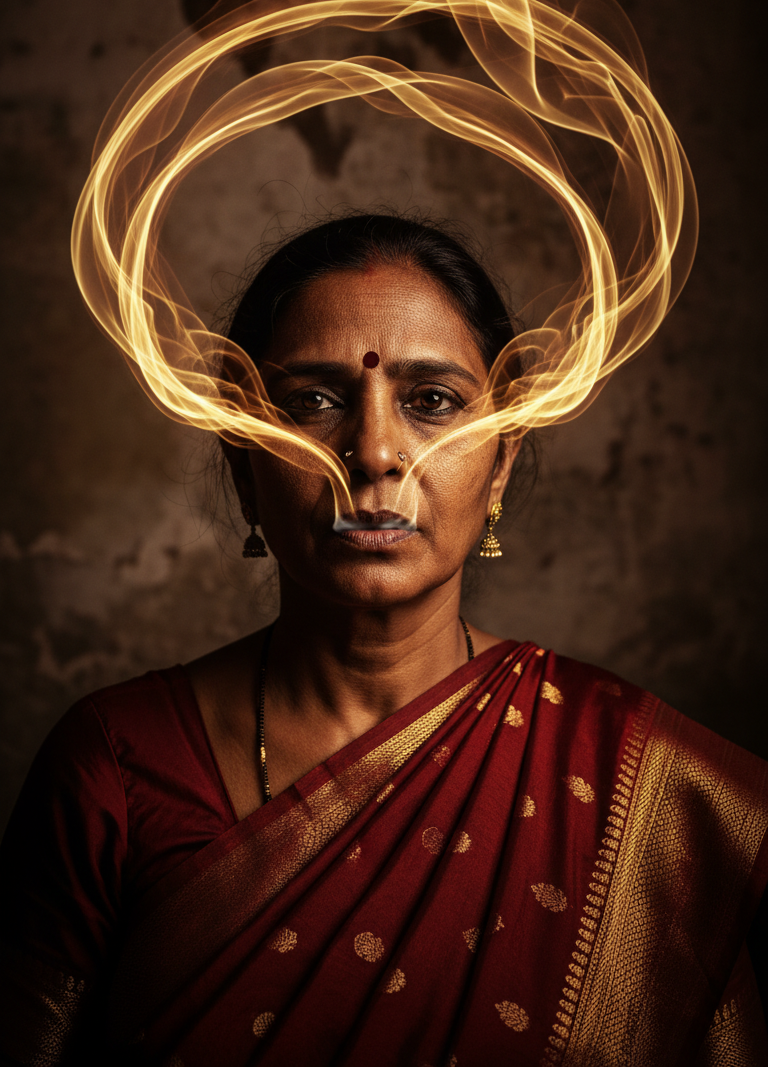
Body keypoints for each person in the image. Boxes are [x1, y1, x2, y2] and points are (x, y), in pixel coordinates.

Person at [1, 211, 766, 1067]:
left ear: (501, 464)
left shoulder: (644, 789)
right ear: (243, 464)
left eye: (431, 402)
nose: (372, 453)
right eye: (314, 402)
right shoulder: (114, 768)